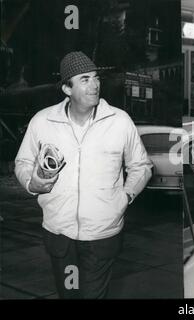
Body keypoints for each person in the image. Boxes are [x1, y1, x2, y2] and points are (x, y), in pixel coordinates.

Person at [14, 51, 153, 299]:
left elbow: (141, 165)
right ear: (67, 88)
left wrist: (125, 196)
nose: (96, 84)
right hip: (59, 233)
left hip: (102, 234)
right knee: (68, 295)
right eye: (85, 79)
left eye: (96, 77)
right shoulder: (43, 121)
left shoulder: (119, 121)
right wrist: (32, 182)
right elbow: (23, 162)